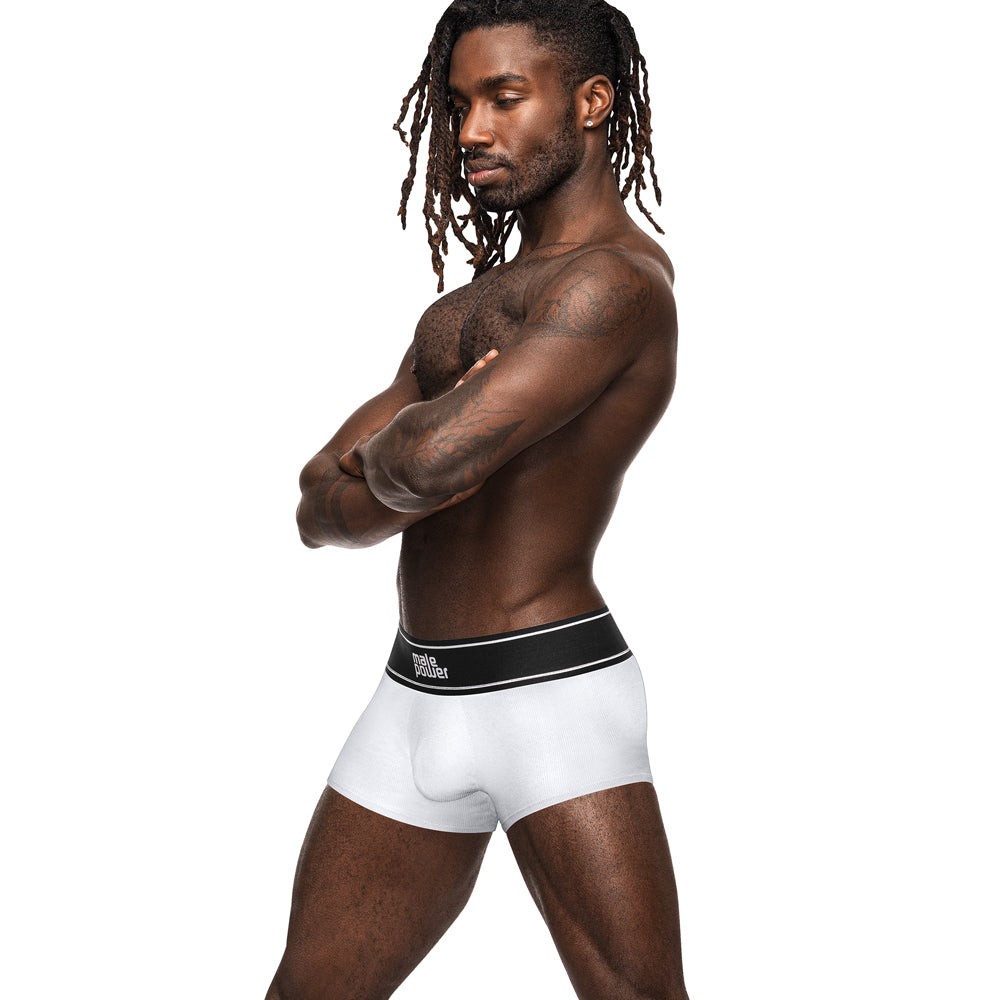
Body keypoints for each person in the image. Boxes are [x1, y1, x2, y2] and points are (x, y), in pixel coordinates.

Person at [267, 1, 687, 997]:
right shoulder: (460, 314)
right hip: (413, 695)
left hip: (549, 697)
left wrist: (412, 451)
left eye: (504, 97)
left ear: (591, 102)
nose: (470, 131)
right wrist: (431, 437)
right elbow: (317, 507)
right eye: (459, 104)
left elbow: (422, 468)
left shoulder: (615, 286)